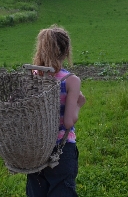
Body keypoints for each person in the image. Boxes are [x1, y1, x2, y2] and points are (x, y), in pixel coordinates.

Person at [26, 25, 86, 197]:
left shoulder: (34, 75)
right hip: (61, 149)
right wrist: (79, 105)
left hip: (36, 149)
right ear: (66, 51)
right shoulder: (70, 81)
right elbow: (68, 121)